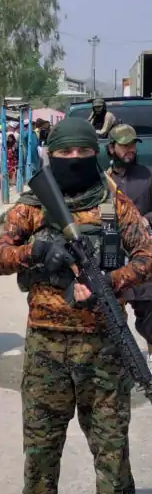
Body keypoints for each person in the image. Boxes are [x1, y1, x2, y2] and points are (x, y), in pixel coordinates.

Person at [0, 117, 152, 494]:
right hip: (46, 348)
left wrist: (111, 281)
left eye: (83, 151)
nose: (74, 157)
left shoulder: (114, 203)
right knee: (41, 452)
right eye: (65, 151)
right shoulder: (32, 206)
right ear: (52, 154)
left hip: (104, 347)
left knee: (112, 452)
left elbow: (146, 256)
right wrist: (36, 251)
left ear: (96, 153)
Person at [106, 123, 152, 362]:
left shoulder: (148, 175)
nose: (130, 150)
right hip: (113, 254)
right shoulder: (103, 181)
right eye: (124, 145)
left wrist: (146, 219)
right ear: (111, 148)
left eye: (132, 145)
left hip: (142, 253)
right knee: (112, 312)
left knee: (148, 310)